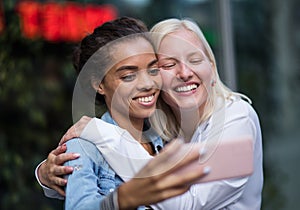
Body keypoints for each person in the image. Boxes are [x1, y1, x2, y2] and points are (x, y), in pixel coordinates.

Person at [37, 17, 264, 209]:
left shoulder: (236, 116)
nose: (185, 72)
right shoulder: (165, 127)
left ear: (212, 66)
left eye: (153, 69)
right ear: (99, 84)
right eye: (168, 65)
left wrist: (99, 132)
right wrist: (44, 175)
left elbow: (188, 203)